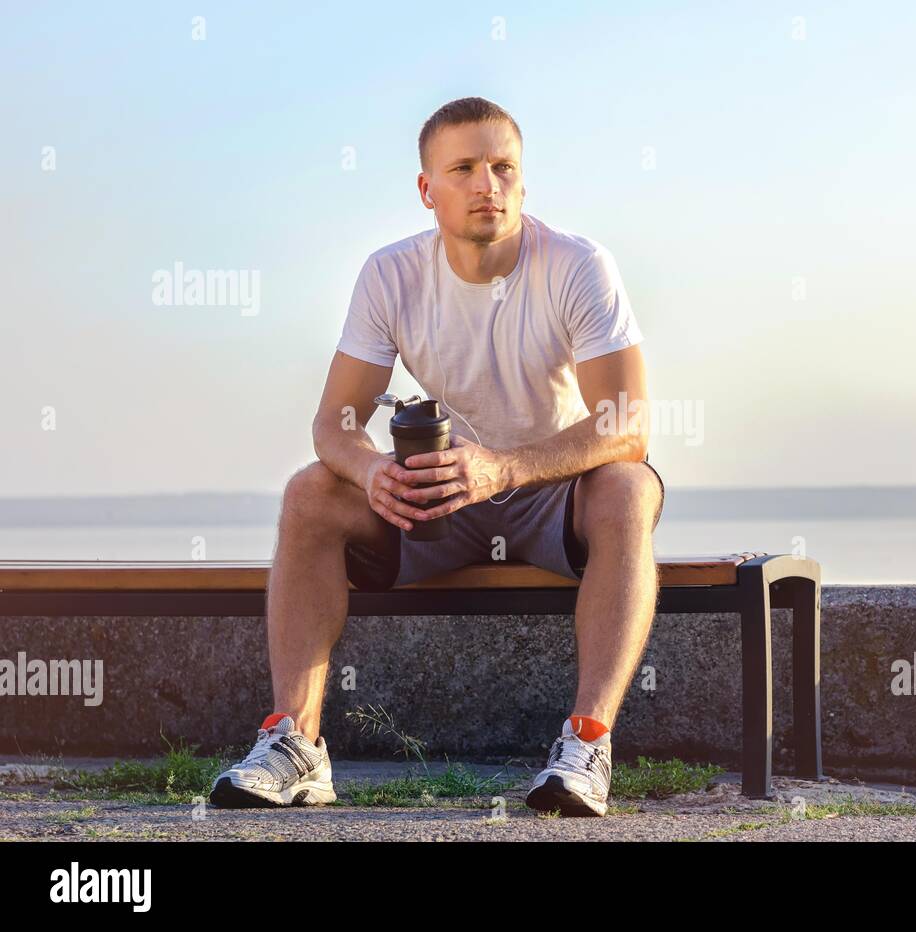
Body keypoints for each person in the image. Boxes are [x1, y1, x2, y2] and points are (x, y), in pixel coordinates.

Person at [209, 97, 663, 817]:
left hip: (550, 491)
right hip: (442, 499)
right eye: (465, 168)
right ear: (428, 189)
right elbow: (336, 422)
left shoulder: (577, 265)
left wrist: (506, 467)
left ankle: (587, 745)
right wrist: (370, 472)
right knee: (309, 493)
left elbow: (627, 423)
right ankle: (296, 746)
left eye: (503, 167)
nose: (488, 183)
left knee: (630, 488)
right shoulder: (391, 276)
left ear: (523, 181)